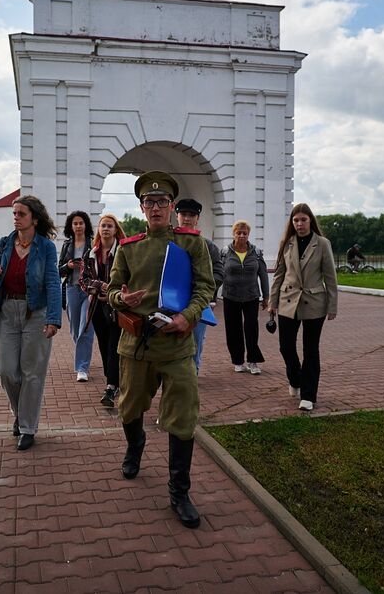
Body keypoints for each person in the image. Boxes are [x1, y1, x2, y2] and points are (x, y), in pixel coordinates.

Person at [107, 171, 215, 529]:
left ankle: (179, 491)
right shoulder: (129, 247)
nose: (155, 207)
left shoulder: (191, 244)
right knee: (130, 407)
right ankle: (135, 445)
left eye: (162, 202)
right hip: (137, 345)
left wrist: (188, 316)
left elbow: (205, 288)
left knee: (184, 417)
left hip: (178, 345)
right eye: (149, 202)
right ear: (141, 207)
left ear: (171, 207)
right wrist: (122, 298)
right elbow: (111, 291)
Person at [0, 195, 61, 451]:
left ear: (34, 218)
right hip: (7, 309)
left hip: (35, 312)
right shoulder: (3, 244)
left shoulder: (45, 247)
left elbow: (53, 282)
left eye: (21, 214)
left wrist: (54, 318)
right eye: (14, 213)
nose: (16, 218)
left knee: (32, 373)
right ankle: (21, 411)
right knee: (5, 370)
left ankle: (27, 426)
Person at [268, 204, 338, 412]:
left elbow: (330, 277)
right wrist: (272, 301)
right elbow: (279, 274)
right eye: (296, 220)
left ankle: (308, 395)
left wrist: (333, 305)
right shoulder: (287, 243)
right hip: (287, 301)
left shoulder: (322, 244)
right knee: (286, 347)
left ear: (310, 221)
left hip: (314, 302)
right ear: (292, 222)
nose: (299, 224)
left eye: (303, 220)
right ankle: (295, 378)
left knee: (311, 350)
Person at [79, 214, 126, 408]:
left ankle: (111, 386)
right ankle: (113, 381)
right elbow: (83, 280)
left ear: (116, 230)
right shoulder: (91, 253)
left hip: (117, 307)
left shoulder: (124, 251)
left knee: (114, 346)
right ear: (99, 229)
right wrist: (101, 287)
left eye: (110, 226)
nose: (106, 229)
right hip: (97, 307)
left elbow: (128, 278)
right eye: (103, 226)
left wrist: (113, 293)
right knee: (104, 344)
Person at [173, 198, 223, 374]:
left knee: (195, 340)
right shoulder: (169, 242)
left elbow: (219, 271)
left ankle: (192, 374)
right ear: (176, 215)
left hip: (198, 302)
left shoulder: (208, 246)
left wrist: (204, 287)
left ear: (197, 219)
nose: (187, 219)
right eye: (183, 214)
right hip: (172, 301)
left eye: (191, 215)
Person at [220, 220, 269, 375]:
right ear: (233, 234)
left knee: (251, 328)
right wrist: (212, 297)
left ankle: (253, 361)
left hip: (251, 296)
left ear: (248, 235)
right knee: (233, 330)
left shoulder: (256, 252)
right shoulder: (224, 253)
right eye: (238, 233)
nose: (241, 235)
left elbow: (263, 275)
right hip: (230, 296)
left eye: (244, 233)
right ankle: (238, 361)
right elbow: (218, 274)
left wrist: (266, 296)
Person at [59, 211, 96, 382]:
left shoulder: (94, 244)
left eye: (81, 223)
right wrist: (69, 265)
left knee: (86, 327)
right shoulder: (67, 245)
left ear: (86, 225)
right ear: (71, 226)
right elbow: (59, 269)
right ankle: (83, 353)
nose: (78, 226)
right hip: (72, 289)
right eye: (75, 223)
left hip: (89, 291)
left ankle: (82, 368)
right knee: (75, 329)